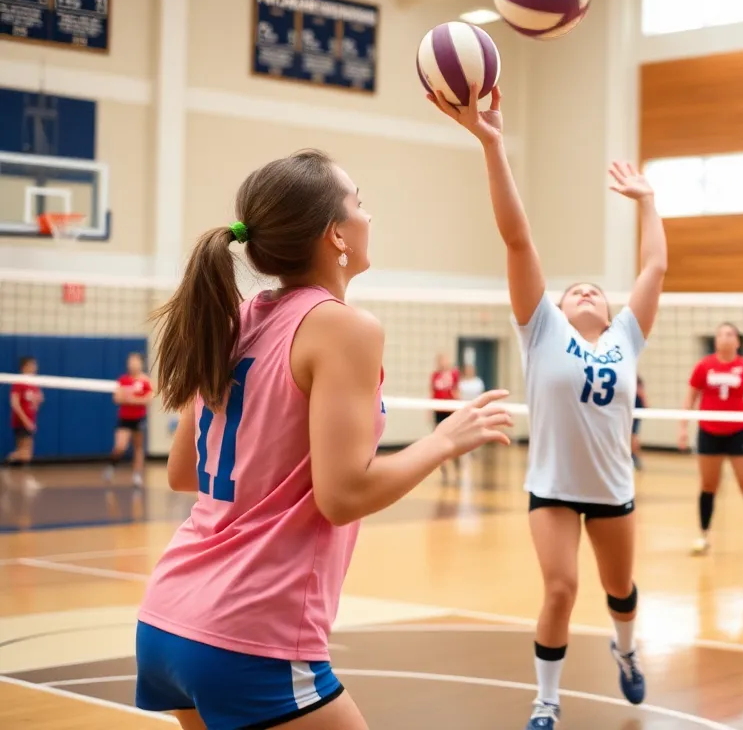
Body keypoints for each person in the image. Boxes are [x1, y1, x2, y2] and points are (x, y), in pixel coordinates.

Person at [133, 148, 512, 730]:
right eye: (359, 202)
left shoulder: (233, 317)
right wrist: (443, 441)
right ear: (336, 234)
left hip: (166, 618)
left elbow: (185, 471)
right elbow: (343, 496)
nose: (368, 215)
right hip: (250, 632)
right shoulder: (342, 326)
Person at [428, 83, 666, 730]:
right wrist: (492, 144)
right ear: (555, 307)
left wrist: (648, 202)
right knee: (561, 589)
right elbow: (517, 239)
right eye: (573, 289)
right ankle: (547, 700)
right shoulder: (542, 331)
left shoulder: (626, 337)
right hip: (553, 488)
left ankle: (625, 649)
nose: (585, 291)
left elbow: (652, 271)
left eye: (596, 290)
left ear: (610, 310)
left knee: (620, 591)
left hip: (612, 488)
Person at [677, 324, 743, 558]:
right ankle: (703, 536)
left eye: (729, 334)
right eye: (720, 334)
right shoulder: (703, 365)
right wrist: (682, 428)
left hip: (739, 431)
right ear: (716, 341)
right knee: (708, 485)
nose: (724, 338)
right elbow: (690, 398)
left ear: (737, 341)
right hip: (709, 431)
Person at [106, 352, 155, 488]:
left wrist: (130, 399)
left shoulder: (145, 381)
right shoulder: (123, 380)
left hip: (139, 419)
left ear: (141, 363)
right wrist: (135, 399)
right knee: (120, 446)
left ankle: (137, 475)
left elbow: (148, 399)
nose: (133, 364)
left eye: (135, 361)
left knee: (138, 447)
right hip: (124, 418)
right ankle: (111, 466)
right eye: (130, 361)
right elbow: (117, 398)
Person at [431, 354, 461, 482]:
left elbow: (457, 391)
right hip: (438, 409)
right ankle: (444, 472)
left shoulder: (454, 374)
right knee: (438, 440)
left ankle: (457, 469)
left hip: (450, 409)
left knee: (454, 441)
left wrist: (457, 407)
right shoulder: (435, 375)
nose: (443, 362)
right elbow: (432, 392)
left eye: (445, 360)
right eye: (441, 360)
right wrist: (430, 408)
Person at [7, 357, 41, 465]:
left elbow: (37, 401)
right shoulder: (19, 382)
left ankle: (10, 466)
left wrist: (38, 401)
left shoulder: (34, 383)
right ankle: (9, 459)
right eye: (32, 365)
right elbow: (15, 403)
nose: (35, 367)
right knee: (26, 455)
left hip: (30, 420)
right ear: (24, 367)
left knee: (24, 451)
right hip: (20, 421)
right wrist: (26, 421)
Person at [631, 376, 646, 471]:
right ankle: (634, 456)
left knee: (634, 435)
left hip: (636, 410)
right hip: (632, 410)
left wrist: (645, 405)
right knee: (633, 436)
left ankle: (635, 457)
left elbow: (641, 393)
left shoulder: (636, 379)